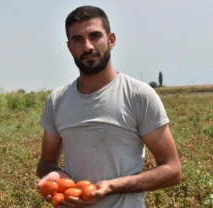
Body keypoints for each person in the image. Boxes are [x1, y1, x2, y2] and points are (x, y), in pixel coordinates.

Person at [36, 5, 181, 208]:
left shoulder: (138, 95)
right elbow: (46, 161)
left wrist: (112, 186)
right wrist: (54, 175)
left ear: (111, 40)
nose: (87, 47)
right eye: (77, 40)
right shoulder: (57, 100)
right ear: (69, 47)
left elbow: (172, 170)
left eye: (95, 36)